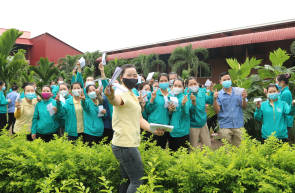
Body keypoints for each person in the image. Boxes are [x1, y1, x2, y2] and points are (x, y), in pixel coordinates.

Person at [104, 64, 164, 193]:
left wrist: (153, 129)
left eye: (135, 75)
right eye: (129, 75)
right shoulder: (120, 92)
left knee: (127, 179)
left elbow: (140, 119)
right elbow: (115, 100)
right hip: (125, 144)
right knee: (137, 180)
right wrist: (110, 95)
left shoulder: (132, 93)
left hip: (125, 143)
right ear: (121, 78)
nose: (133, 77)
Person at [213, 72, 247, 146]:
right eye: (224, 80)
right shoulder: (219, 95)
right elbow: (217, 111)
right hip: (225, 125)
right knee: (227, 149)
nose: (227, 81)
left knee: (240, 149)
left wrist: (244, 99)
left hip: (238, 124)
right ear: (220, 82)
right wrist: (215, 99)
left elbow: (244, 107)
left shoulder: (239, 91)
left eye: (228, 79)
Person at [145, 73, 172, 149]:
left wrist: (171, 110)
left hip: (164, 127)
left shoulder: (171, 95)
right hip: (153, 126)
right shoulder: (153, 94)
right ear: (158, 83)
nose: (163, 82)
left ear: (168, 82)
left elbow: (170, 114)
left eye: (165, 80)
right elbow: (147, 110)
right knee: (150, 149)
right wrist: (152, 99)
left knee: (161, 149)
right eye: (161, 81)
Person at [186, 77, 213, 148]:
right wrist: (193, 102)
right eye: (191, 84)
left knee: (207, 147)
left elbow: (210, 100)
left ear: (197, 84)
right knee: (192, 148)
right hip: (193, 126)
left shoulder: (202, 93)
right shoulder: (187, 96)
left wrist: (212, 92)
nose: (193, 86)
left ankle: (207, 159)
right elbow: (190, 110)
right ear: (188, 87)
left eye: (195, 83)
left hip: (203, 124)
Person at [168, 79, 190, 151]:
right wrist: (170, 110)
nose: (177, 87)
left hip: (182, 132)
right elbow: (170, 114)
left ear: (183, 88)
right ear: (172, 87)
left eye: (180, 86)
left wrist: (183, 105)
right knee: (172, 156)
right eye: (175, 85)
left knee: (183, 157)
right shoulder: (171, 98)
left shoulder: (185, 98)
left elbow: (186, 112)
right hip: (172, 132)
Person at [276, 74, 293, 140]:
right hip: (284, 121)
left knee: (283, 141)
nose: (276, 84)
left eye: (277, 82)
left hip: (285, 121)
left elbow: (283, 108)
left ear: (282, 82)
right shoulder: (283, 92)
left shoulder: (285, 93)